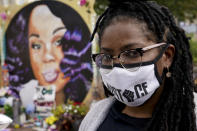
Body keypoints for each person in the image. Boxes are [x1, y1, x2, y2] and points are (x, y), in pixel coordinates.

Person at [79, 0, 196, 131]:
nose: (117, 67)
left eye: (132, 53)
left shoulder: (191, 117)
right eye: (106, 56)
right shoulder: (95, 118)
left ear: (167, 56)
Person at [5, 0, 92, 107]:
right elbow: (44, 116)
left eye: (59, 41)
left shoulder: (88, 103)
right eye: (36, 46)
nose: (47, 56)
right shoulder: (26, 95)